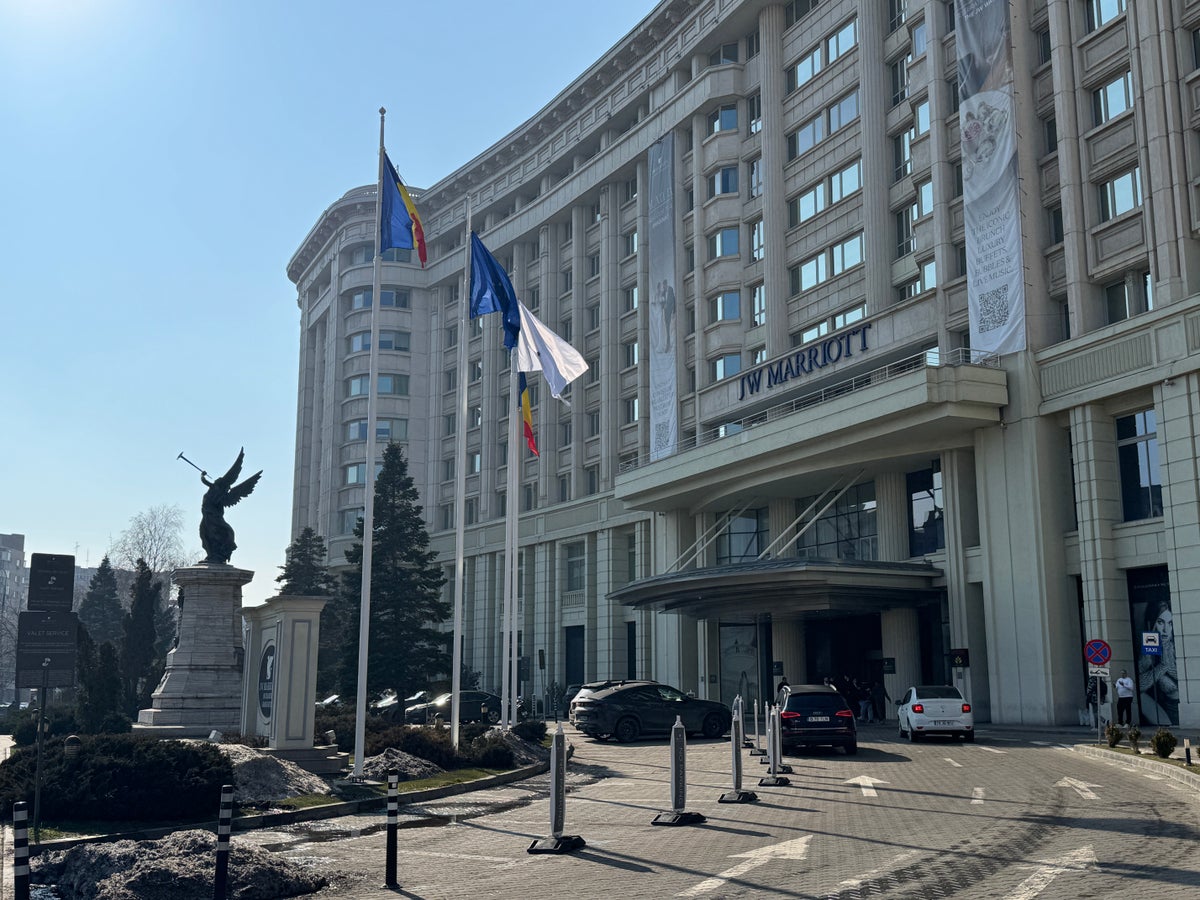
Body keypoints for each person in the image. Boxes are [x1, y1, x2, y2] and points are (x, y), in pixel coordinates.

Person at [1137, 600, 1179, 725]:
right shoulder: (1149, 651)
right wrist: (1162, 667)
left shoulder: (1175, 647)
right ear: (1153, 623)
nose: (1166, 629)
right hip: (1166, 709)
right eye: (1161, 622)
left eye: (1170, 623)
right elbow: (1139, 686)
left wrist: (1168, 665)